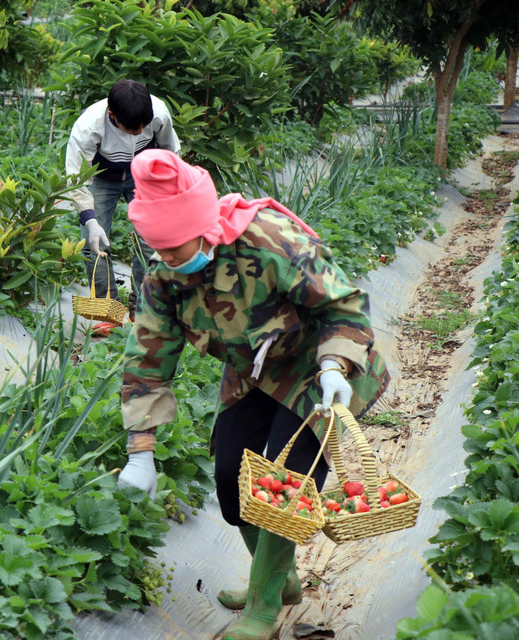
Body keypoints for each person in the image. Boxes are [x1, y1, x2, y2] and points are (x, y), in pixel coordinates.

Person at [115, 150, 390, 640]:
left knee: (288, 483)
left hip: (315, 362)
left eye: (177, 247)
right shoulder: (164, 277)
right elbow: (147, 360)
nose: (170, 259)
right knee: (230, 477)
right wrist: (141, 451)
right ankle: (280, 579)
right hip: (254, 371)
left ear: (204, 228)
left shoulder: (271, 242)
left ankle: (262, 609)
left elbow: (343, 305)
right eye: (160, 249)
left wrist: (335, 365)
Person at [65, 79, 180, 332]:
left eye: (144, 126)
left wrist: (168, 193)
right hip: (102, 178)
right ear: (112, 115)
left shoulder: (158, 113)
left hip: (144, 176)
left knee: (150, 242)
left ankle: (142, 309)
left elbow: (171, 152)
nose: (140, 132)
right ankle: (109, 312)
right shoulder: (88, 127)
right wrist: (91, 221)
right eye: (132, 128)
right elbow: (77, 180)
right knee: (91, 245)